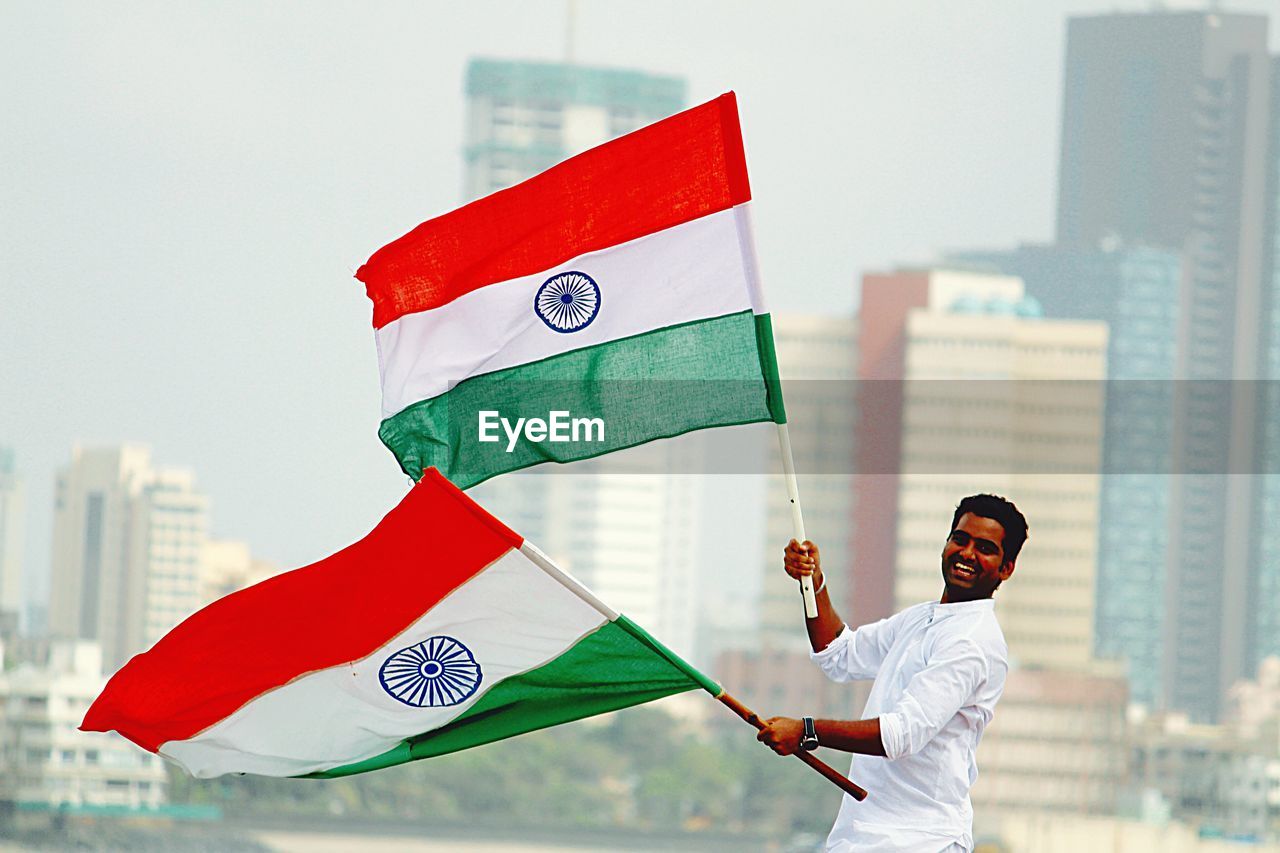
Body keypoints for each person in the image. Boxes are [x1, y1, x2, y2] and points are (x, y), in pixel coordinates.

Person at [756, 494, 1027, 853]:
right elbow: (838, 653)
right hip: (862, 837)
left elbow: (901, 735)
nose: (967, 553)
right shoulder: (922, 619)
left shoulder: (972, 641)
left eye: (985, 548)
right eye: (960, 539)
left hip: (920, 841)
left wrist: (806, 731)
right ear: (946, 544)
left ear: (1005, 567)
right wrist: (813, 583)